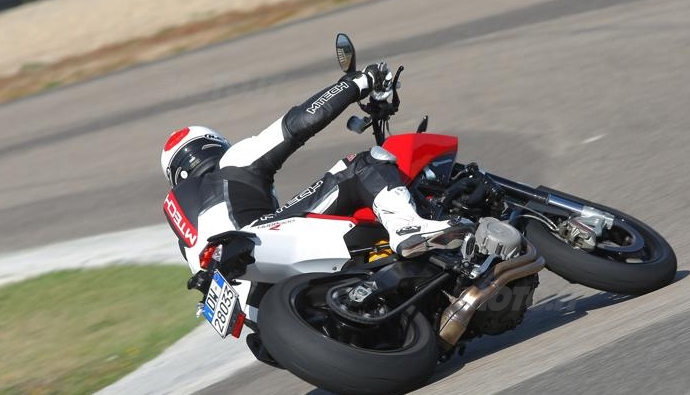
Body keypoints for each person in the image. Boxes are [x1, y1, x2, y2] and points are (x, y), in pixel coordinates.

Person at [160, 63, 468, 280]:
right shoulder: (232, 163)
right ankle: (407, 227)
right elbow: (298, 124)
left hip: (258, 305)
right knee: (359, 164)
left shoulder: (189, 242)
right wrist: (358, 82)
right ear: (213, 147)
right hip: (256, 243)